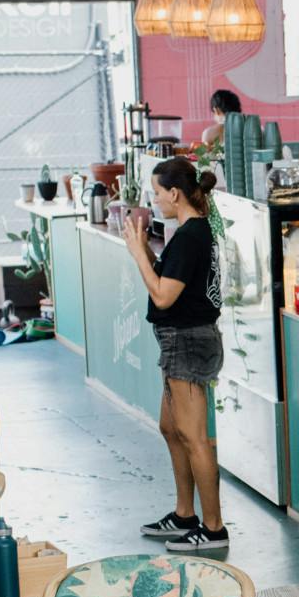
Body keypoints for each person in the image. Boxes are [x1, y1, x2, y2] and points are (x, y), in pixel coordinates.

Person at [121, 156, 229, 555]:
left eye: (156, 192)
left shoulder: (190, 236)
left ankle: (214, 527)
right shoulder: (185, 232)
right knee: (172, 429)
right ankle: (185, 515)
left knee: (194, 437)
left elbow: (164, 295)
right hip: (176, 341)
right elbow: (167, 281)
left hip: (188, 341)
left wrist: (137, 254)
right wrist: (144, 250)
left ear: (175, 193)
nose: (154, 199)